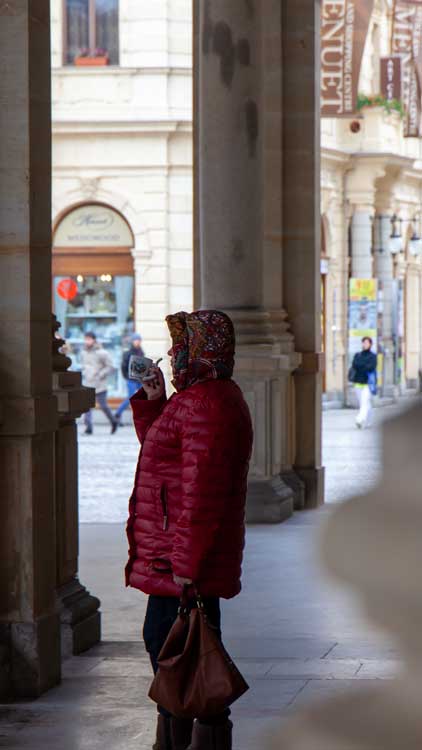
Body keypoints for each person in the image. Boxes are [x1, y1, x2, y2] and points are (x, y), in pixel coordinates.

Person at [125, 310, 253, 750]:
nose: (173, 354)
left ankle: (179, 742)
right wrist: (155, 402)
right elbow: (168, 457)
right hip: (174, 551)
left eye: (181, 346)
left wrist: (186, 564)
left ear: (202, 351)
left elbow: (202, 495)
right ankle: (200, 738)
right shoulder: (201, 398)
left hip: (178, 557)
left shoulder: (207, 404)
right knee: (191, 648)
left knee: (173, 648)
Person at [81, 331, 117, 435]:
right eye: (86, 339)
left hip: (100, 385)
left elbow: (110, 366)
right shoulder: (84, 352)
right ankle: (89, 427)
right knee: (87, 405)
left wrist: (101, 374)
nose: (87, 341)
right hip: (88, 383)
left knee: (103, 406)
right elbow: (84, 365)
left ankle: (114, 421)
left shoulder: (102, 353)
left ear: (94, 340)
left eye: (89, 339)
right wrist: (84, 372)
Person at [114, 333, 144, 426]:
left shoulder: (141, 352)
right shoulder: (128, 353)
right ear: (132, 341)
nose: (137, 342)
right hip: (131, 379)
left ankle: (141, 418)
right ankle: (118, 413)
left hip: (140, 379)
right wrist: (126, 377)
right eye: (136, 340)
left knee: (143, 398)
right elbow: (123, 366)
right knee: (131, 399)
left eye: (139, 340)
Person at [349, 336, 377, 429]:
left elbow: (371, 367)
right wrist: (363, 365)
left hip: (368, 383)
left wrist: (361, 366)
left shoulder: (373, 356)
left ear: (370, 344)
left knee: (364, 402)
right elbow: (354, 364)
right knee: (364, 403)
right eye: (364, 342)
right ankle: (369, 420)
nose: (365, 344)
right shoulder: (358, 355)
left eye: (367, 343)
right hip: (358, 382)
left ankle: (359, 420)